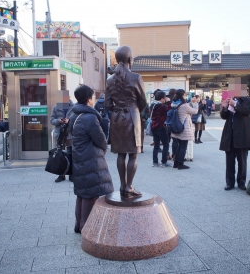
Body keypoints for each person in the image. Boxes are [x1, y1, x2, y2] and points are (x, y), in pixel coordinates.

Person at [68, 85, 114, 234]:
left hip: (79, 156)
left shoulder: (74, 113)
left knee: (82, 193)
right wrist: (104, 147)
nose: (94, 99)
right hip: (90, 158)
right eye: (93, 96)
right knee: (91, 194)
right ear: (89, 99)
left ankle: (78, 224)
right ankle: (86, 227)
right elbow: (101, 139)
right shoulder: (90, 117)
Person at [105, 46, 147, 198]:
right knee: (133, 154)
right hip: (132, 116)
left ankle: (122, 185)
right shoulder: (136, 77)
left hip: (116, 118)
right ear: (130, 59)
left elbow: (108, 105)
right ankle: (129, 186)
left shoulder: (110, 80)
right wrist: (135, 110)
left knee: (121, 154)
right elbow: (143, 101)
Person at [220, 96, 250, 191]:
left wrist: (235, 105)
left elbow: (248, 112)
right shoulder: (229, 100)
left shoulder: (248, 101)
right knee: (229, 161)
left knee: (242, 161)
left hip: (242, 134)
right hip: (230, 134)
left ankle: (241, 182)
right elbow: (224, 116)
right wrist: (224, 108)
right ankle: (229, 183)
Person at [171, 89, 198, 170]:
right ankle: (180, 164)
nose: (186, 96)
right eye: (185, 94)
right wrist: (196, 103)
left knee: (179, 146)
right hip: (184, 128)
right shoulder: (184, 105)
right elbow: (195, 111)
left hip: (177, 126)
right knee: (183, 146)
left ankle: (176, 163)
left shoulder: (174, 103)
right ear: (183, 95)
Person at [50, 98, 74, 183]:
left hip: (70, 134)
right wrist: (59, 121)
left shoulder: (73, 107)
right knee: (60, 154)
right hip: (60, 134)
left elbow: (77, 120)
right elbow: (51, 120)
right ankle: (61, 175)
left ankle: (72, 174)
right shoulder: (56, 107)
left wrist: (69, 121)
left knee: (71, 154)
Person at [150, 91, 172, 167]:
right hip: (161, 127)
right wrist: (168, 102)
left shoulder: (152, 105)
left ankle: (155, 162)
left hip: (153, 127)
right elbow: (169, 110)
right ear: (162, 98)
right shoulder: (161, 106)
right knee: (166, 145)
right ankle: (164, 162)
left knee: (156, 145)